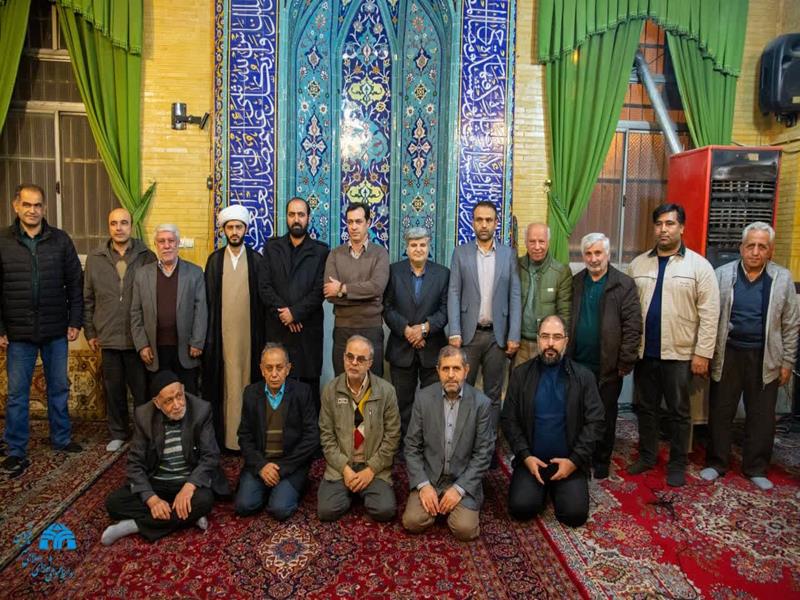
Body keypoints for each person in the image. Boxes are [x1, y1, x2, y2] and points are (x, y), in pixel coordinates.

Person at [701, 222, 799, 490]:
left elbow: (791, 324)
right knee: (721, 410)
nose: (755, 252)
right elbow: (710, 317)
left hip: (765, 356)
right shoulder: (722, 275)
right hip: (728, 353)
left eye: (762, 247)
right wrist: (706, 353)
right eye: (750, 245)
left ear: (770, 251)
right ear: (741, 247)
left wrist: (787, 361)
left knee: (761, 415)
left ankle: (756, 467)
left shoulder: (782, 279)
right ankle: (716, 463)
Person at [627, 203, 719, 487]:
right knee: (646, 408)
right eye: (659, 224)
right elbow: (628, 310)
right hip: (645, 352)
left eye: (670, 224)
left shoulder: (699, 267)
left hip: (680, 353)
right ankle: (647, 456)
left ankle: (678, 463)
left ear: (681, 227)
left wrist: (703, 353)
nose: (663, 229)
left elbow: (710, 313)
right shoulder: (638, 265)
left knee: (679, 412)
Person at [0, 184, 83, 478]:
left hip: (55, 330)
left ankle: (61, 438)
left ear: (44, 208)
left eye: (37, 205)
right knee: (17, 394)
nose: (32, 210)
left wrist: (75, 321)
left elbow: (75, 282)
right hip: (18, 332)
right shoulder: (3, 241)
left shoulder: (60, 240)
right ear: (16, 206)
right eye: (27, 204)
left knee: (59, 388)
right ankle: (15, 449)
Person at [501, 316, 604, 527]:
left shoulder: (584, 377)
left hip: (569, 462)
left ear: (566, 341)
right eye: (545, 336)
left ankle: (556, 487)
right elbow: (509, 419)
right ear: (538, 339)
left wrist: (574, 461)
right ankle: (540, 488)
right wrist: (526, 456)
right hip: (532, 462)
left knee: (574, 516)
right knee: (521, 509)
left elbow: (596, 422)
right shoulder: (521, 375)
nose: (550, 343)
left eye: (556, 337)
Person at [101, 371, 226, 545]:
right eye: (168, 401)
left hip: (188, 481)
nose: (177, 405)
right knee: (114, 503)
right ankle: (187, 516)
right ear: (157, 403)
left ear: (183, 390)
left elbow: (210, 455)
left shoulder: (201, 410)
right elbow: (134, 464)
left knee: (205, 501)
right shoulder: (144, 415)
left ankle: (134, 525)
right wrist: (152, 500)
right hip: (157, 482)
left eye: (179, 396)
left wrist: (189, 486)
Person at [567, 233, 641, 479]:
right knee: (578, 414)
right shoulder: (576, 282)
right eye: (588, 253)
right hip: (577, 363)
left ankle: (601, 460)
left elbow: (633, 326)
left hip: (608, 367)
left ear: (607, 254)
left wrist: (626, 361)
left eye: (598, 253)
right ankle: (581, 457)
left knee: (605, 416)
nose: (593, 258)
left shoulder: (623, 284)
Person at [402, 345, 494, 541]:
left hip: (462, 479)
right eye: (445, 369)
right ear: (438, 371)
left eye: (456, 368)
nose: (451, 375)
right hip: (431, 478)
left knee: (465, 530)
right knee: (412, 522)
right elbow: (411, 446)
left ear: (466, 370)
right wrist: (423, 485)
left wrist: (459, 489)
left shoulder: (481, 404)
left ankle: (450, 506)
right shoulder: (423, 399)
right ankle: (437, 504)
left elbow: (483, 454)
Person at [84, 208, 157, 452]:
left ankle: (143, 434)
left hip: (138, 339)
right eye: (114, 223)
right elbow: (88, 299)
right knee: (113, 390)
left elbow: (154, 298)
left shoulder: (147, 256)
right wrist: (90, 332)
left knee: (141, 391)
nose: (119, 228)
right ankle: (118, 432)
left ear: (131, 226)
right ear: (109, 227)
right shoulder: (95, 258)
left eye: (123, 223)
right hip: (108, 337)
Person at [448, 200, 521, 435]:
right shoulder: (461, 253)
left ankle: (488, 442)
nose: (484, 224)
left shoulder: (508, 255)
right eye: (479, 219)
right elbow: (454, 292)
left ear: (496, 223)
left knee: (493, 393)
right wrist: (454, 331)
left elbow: (515, 295)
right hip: (468, 335)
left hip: (497, 337)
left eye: (488, 220)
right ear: (473, 222)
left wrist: (514, 334)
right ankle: (462, 439)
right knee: (463, 390)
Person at [317, 335, 401, 522]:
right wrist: (345, 470)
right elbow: (326, 437)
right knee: (326, 511)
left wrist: (371, 470)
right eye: (350, 357)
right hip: (342, 466)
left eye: (361, 359)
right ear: (344, 358)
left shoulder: (386, 391)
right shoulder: (330, 390)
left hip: (373, 467)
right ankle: (352, 492)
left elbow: (393, 437)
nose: (354, 363)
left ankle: (361, 490)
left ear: (370, 363)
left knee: (385, 510)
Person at [203, 205, 265, 451]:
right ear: (224, 230)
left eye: (239, 227)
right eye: (230, 227)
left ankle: (247, 440)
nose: (235, 231)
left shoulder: (257, 260)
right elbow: (208, 302)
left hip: (250, 338)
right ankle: (227, 440)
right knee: (226, 385)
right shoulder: (215, 261)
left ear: (245, 229)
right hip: (222, 338)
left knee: (248, 383)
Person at [235, 344, 319, 519]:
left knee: (280, 510)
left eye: (279, 368)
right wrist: (261, 466)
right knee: (244, 506)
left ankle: (288, 487)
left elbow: (311, 438)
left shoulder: (302, 392)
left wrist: (282, 468)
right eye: (269, 368)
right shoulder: (251, 393)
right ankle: (270, 487)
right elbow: (244, 436)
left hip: (291, 464)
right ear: (261, 370)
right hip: (262, 463)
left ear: (288, 369)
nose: (274, 374)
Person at [260, 197, 329, 411]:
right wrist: (285, 314)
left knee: (308, 393)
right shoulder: (272, 248)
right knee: (277, 387)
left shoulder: (321, 251)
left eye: (301, 214)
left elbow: (319, 290)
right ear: (286, 217)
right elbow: (264, 287)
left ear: (308, 218)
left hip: (307, 333)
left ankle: (309, 434)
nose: (296, 219)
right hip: (278, 329)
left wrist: (296, 313)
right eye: (292, 215)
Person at [384, 227, 449, 438]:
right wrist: (407, 331)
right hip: (401, 348)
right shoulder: (393, 272)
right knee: (402, 404)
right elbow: (387, 307)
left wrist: (422, 330)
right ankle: (404, 446)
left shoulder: (443, 274)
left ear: (429, 246)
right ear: (407, 247)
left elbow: (445, 310)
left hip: (432, 349)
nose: (418, 249)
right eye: (413, 245)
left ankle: (429, 444)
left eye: (422, 244)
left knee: (433, 404)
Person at [130, 224, 207, 395]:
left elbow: (201, 310)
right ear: (155, 245)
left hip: (186, 349)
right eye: (161, 241)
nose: (166, 245)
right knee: (159, 397)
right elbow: (135, 312)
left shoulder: (195, 273)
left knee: (188, 397)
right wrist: (142, 345)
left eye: (171, 241)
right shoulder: (142, 275)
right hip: (155, 350)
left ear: (178, 243)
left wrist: (197, 342)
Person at [323, 202, 390, 376]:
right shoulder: (335, 254)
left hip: (371, 328)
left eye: (358, 221)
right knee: (343, 380)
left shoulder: (380, 254)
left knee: (373, 382)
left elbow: (377, 288)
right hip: (343, 329)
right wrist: (367, 296)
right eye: (350, 222)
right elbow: (330, 294)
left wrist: (342, 288)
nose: (353, 227)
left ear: (368, 223)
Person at [516, 222, 572, 365]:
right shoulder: (515, 266)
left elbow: (564, 313)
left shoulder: (561, 271)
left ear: (548, 242)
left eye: (541, 241)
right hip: (519, 344)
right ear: (525, 242)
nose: (537, 247)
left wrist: (559, 344)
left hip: (547, 345)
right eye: (532, 241)